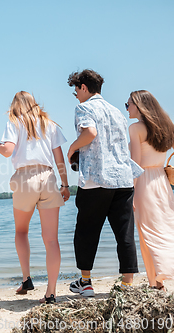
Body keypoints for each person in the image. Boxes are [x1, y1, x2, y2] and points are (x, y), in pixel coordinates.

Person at [0, 91, 70, 304]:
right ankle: (50, 293)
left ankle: (26, 278)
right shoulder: (49, 124)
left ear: (15, 106)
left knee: (21, 231)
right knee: (51, 240)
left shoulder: (13, 122)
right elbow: (59, 157)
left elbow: (7, 151)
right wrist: (65, 184)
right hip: (48, 177)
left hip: (25, 178)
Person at [66, 69, 142, 297]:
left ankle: (86, 282)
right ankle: (127, 284)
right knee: (124, 232)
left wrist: (72, 148)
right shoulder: (117, 111)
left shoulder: (84, 107)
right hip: (123, 178)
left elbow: (89, 132)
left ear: (83, 87)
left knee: (86, 231)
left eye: (76, 90)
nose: (76, 95)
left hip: (96, 179)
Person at [127, 90, 174, 291]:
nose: (127, 108)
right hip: (162, 182)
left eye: (128, 104)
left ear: (139, 105)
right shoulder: (167, 126)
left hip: (144, 182)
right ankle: (157, 280)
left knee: (148, 234)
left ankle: (157, 282)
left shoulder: (136, 128)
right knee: (166, 230)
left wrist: (131, 192)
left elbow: (136, 162)